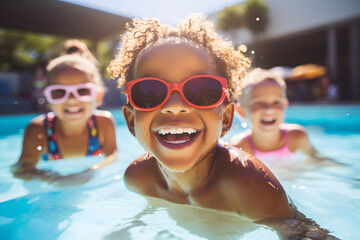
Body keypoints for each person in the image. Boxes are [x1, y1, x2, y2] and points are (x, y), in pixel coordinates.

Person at [108, 15, 337, 239]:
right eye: (149, 92)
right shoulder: (138, 179)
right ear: (130, 121)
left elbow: (305, 233)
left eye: (202, 90)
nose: (175, 106)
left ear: (226, 118)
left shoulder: (248, 184)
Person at [12, 39, 118, 186]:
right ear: (48, 99)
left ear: (98, 96)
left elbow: (113, 156)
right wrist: (55, 178)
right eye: (59, 92)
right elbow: (22, 169)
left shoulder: (103, 123)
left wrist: (89, 172)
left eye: (83, 91)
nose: (72, 100)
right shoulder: (39, 129)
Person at [229, 68, 339, 166]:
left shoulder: (296, 137)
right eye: (259, 103)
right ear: (241, 111)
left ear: (285, 105)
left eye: (276, 102)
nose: (269, 109)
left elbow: (321, 160)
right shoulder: (239, 147)